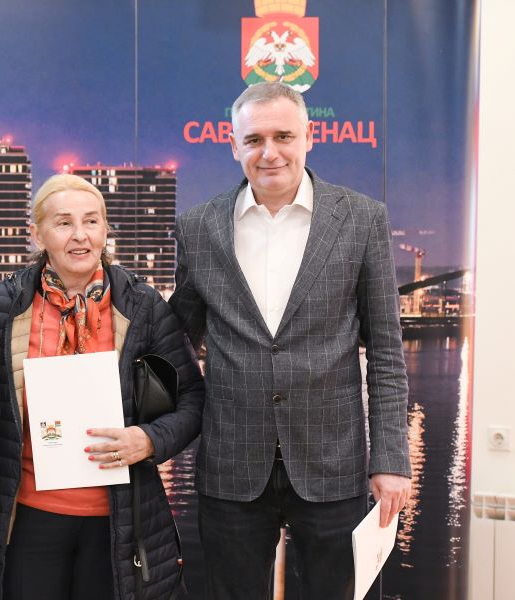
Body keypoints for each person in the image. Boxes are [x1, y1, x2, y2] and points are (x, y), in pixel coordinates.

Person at [169, 82, 412, 600]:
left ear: (309, 137)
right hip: (231, 464)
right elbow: (174, 340)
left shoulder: (363, 219)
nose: (269, 152)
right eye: (253, 139)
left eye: (283, 136)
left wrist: (390, 459)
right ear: (233, 145)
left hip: (334, 464)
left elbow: (387, 352)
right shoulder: (197, 228)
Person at [0, 174, 205, 600]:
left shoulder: (143, 306)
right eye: (63, 223)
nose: (80, 235)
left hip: (120, 522)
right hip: (27, 518)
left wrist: (149, 440)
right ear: (37, 233)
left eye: (91, 221)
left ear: (105, 229)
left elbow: (192, 399)